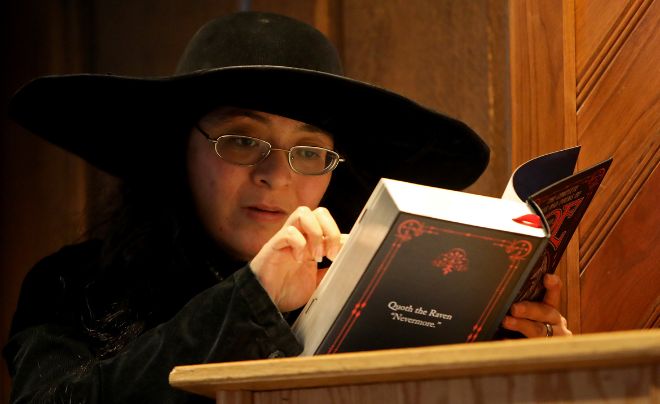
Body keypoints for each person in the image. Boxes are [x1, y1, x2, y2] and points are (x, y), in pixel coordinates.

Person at [3, 11, 571, 404]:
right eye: (242, 140)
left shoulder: (384, 291)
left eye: (309, 151)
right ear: (180, 151)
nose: (276, 174)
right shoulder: (71, 285)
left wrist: (533, 374)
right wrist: (252, 300)